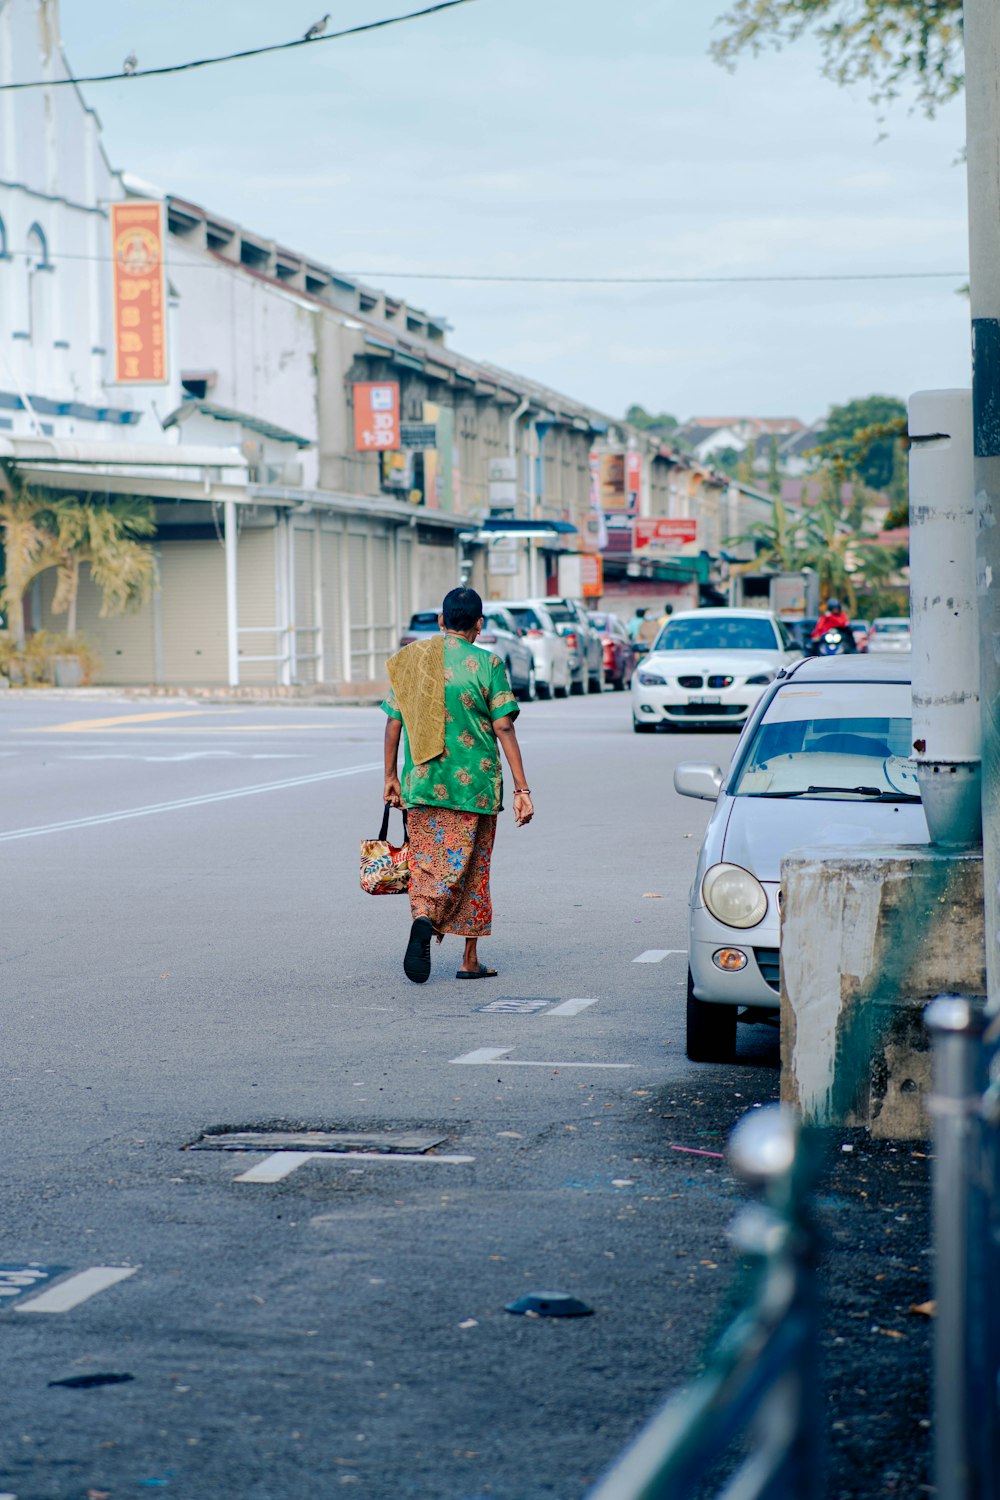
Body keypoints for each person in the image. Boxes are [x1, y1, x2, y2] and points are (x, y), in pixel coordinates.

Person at [382, 587, 534, 985]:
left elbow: (393, 722)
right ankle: (469, 959)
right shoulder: (488, 664)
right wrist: (522, 789)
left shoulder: (412, 661)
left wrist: (390, 777)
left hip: (422, 782)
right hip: (476, 788)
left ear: (441, 622)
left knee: (427, 864)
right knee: (473, 869)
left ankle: (423, 916)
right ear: (479, 625)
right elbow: (503, 725)